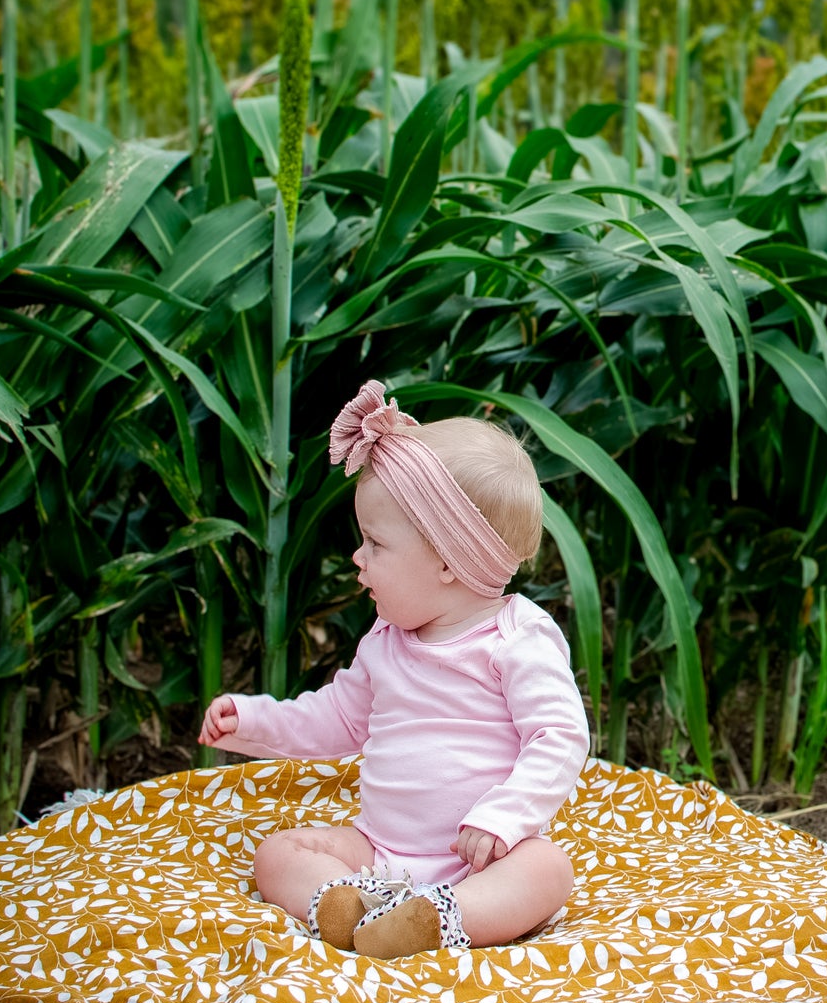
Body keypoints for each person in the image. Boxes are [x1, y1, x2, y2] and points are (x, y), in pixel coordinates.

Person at [199, 380, 589, 959]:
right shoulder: (385, 640)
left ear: (448, 562)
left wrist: (505, 817)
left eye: (375, 543)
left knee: (548, 871)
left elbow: (558, 736)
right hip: (378, 853)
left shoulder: (517, 639)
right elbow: (336, 718)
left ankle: (441, 918)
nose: (359, 558)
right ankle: (345, 903)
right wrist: (252, 721)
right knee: (277, 853)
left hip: (484, 856)